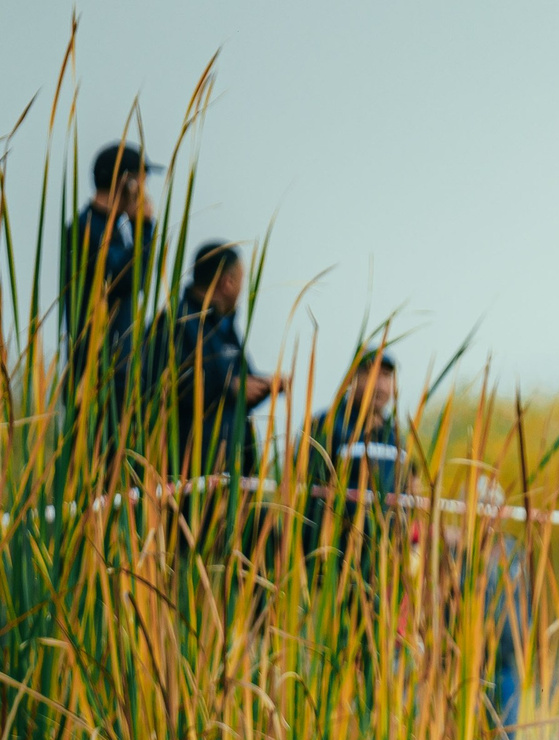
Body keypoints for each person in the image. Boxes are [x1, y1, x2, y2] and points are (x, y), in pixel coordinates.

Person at [169, 241, 289, 476]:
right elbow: (172, 385)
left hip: (233, 466)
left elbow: (242, 381)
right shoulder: (176, 324)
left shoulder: (226, 327)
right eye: (241, 281)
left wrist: (265, 385)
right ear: (228, 282)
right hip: (191, 468)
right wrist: (229, 387)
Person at [61, 141, 160, 390]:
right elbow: (128, 278)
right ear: (128, 183)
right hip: (95, 376)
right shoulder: (87, 229)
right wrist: (144, 228)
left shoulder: (111, 228)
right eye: (142, 182)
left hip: (116, 373)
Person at [302, 348, 405, 558]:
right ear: (352, 378)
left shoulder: (395, 435)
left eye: (386, 376)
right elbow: (307, 490)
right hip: (332, 557)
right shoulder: (328, 426)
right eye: (371, 373)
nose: (380, 385)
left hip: (381, 559)